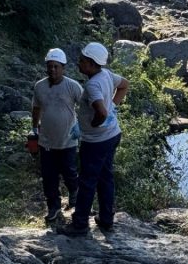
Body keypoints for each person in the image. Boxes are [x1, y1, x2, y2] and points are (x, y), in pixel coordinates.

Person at [60, 42, 129, 236]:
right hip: (112, 135)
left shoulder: (92, 85)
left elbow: (100, 110)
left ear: (91, 64)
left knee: (87, 181)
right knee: (106, 177)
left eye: (82, 60)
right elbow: (124, 85)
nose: (78, 63)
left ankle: (80, 224)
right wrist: (113, 108)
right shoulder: (106, 74)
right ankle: (106, 219)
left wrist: (97, 122)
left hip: (96, 141)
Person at [31, 48, 84, 226]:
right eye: (50, 66)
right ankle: (53, 207)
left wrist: (81, 125)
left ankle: (74, 193)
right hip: (46, 140)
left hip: (68, 139)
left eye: (56, 66)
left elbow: (85, 106)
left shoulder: (73, 86)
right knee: (49, 176)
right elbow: (36, 108)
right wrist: (33, 128)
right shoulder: (40, 86)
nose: (52, 69)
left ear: (63, 68)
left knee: (69, 171)